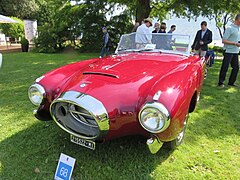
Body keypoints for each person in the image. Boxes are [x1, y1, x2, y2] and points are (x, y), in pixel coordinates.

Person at [218, 14, 240, 88]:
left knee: (236, 67)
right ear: (238, 19)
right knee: (225, 67)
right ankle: (221, 83)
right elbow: (224, 40)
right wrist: (234, 43)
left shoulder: (238, 28)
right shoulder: (230, 28)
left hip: (236, 51)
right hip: (228, 51)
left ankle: (231, 82)